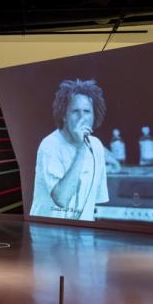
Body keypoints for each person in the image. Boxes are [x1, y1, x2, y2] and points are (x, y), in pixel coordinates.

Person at [30, 79, 109, 221]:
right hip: (48, 231)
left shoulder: (96, 146)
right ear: (64, 116)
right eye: (75, 111)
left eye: (87, 112)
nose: (82, 118)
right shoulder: (50, 145)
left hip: (82, 233)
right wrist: (81, 148)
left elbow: (96, 200)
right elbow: (61, 199)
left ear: (94, 115)